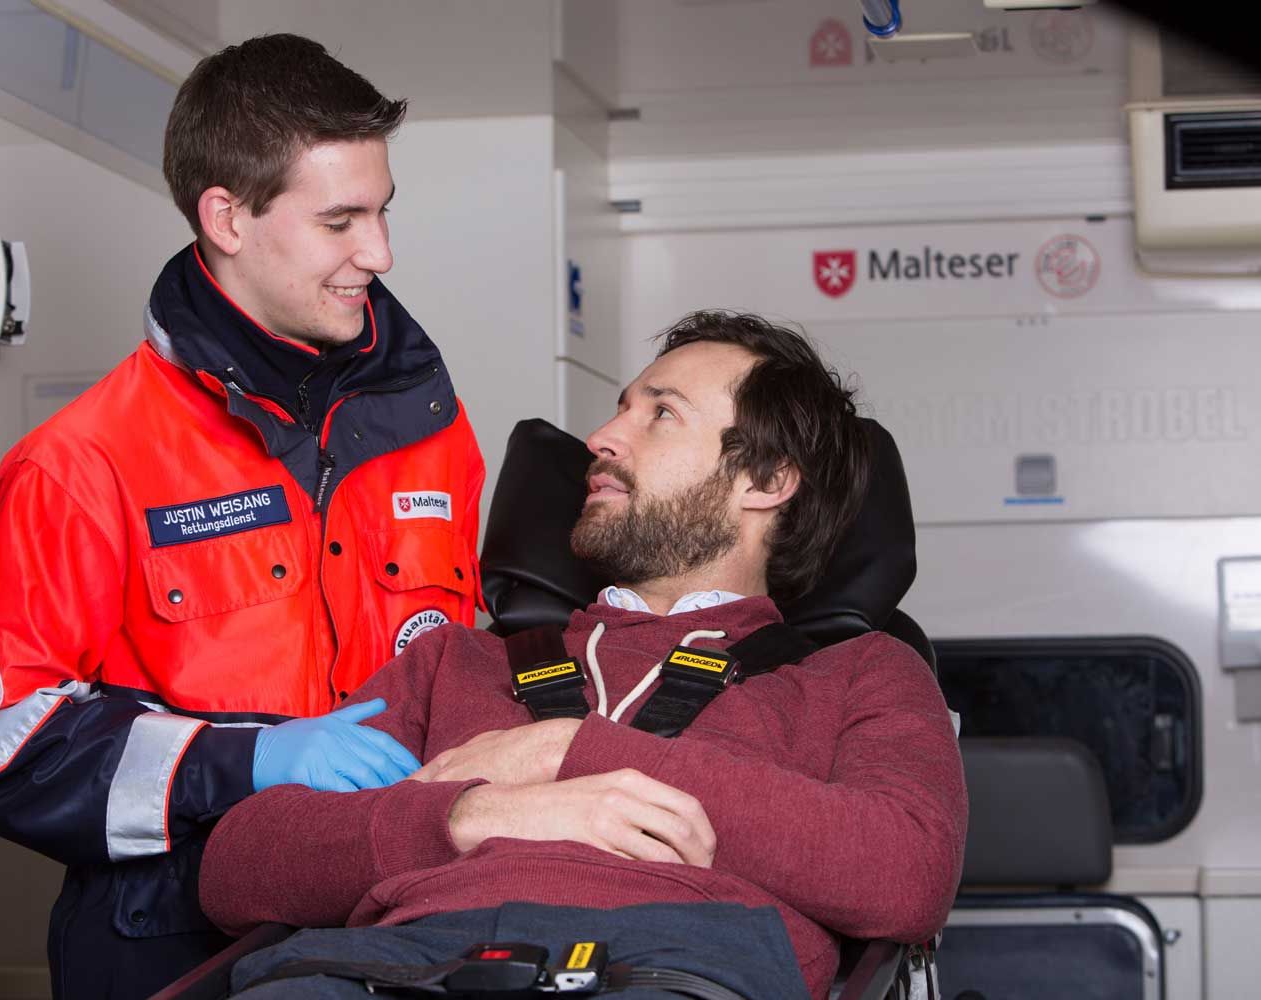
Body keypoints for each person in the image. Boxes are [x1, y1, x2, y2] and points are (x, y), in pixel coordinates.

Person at [0, 35, 485, 999]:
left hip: (399, 922)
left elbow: (462, 658)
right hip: (170, 939)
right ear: (226, 215)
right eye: (340, 220)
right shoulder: (85, 460)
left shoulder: (433, 427)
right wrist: (245, 760)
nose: (379, 255)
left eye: (383, 213)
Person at [197, 312, 968, 1000]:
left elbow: (906, 875)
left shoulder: (857, 671)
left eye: (661, 413)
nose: (602, 438)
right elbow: (238, 867)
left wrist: (567, 749)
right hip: (398, 967)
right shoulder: (456, 661)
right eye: (621, 407)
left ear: (765, 481)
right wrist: (470, 815)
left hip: (673, 969)